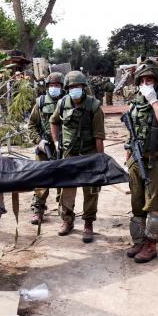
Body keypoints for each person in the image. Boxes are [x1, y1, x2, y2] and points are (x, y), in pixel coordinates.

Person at [124, 60, 158, 263]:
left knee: (154, 206)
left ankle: (151, 245)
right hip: (137, 159)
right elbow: (132, 129)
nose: (147, 83)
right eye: (143, 80)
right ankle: (138, 241)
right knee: (137, 204)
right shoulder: (136, 101)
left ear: (157, 81)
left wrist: (154, 100)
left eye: (151, 80)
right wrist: (128, 153)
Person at [50, 71, 105, 243]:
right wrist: (56, 142)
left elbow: (99, 136)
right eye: (72, 87)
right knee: (67, 189)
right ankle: (67, 221)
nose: (75, 89)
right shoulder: (62, 103)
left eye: (78, 86)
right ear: (67, 89)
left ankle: (88, 223)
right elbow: (54, 121)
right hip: (69, 154)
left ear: (84, 87)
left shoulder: (94, 106)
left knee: (90, 190)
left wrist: (100, 159)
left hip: (89, 154)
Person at [27, 72, 65, 225]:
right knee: (41, 180)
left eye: (57, 85)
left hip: (63, 148)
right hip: (45, 148)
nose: (54, 88)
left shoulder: (67, 101)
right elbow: (31, 125)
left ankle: (65, 211)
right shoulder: (41, 102)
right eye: (51, 86)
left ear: (62, 87)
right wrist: (39, 141)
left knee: (63, 181)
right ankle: (38, 210)